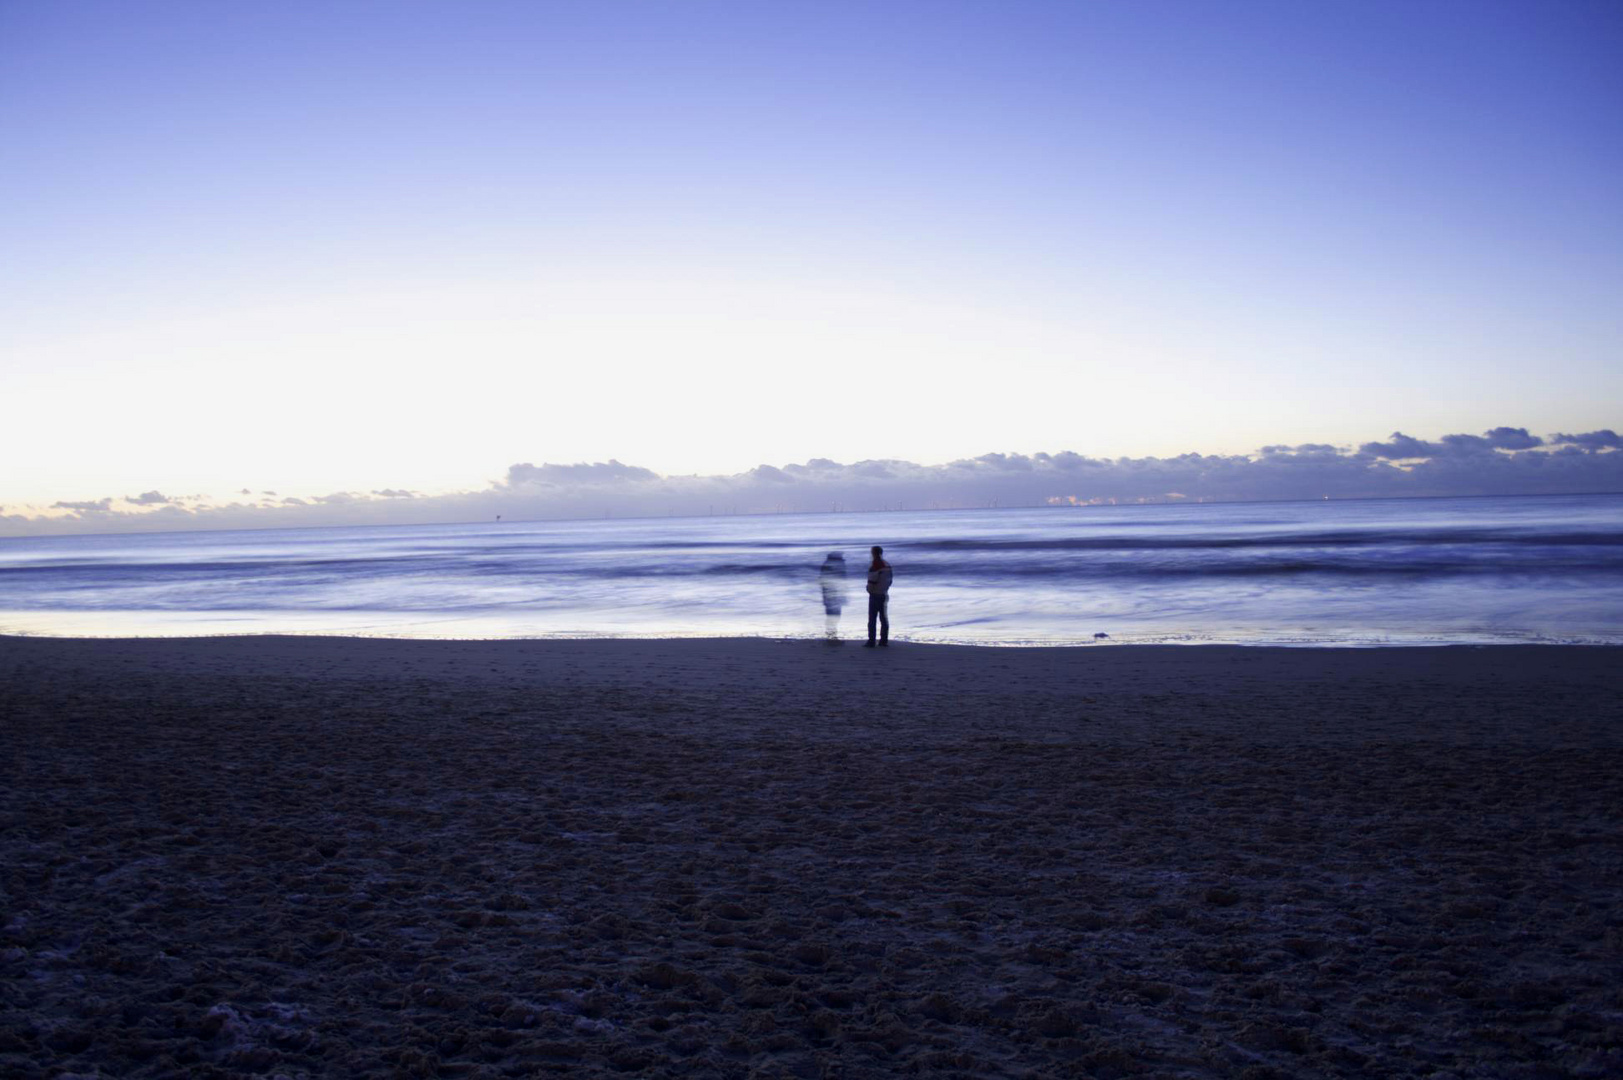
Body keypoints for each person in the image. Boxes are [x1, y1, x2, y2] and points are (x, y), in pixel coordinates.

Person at [864, 545, 893, 647]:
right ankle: (883, 640)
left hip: (875, 593)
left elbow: (872, 581)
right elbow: (890, 581)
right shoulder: (887, 565)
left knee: (872, 618)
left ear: (873, 553)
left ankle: (871, 640)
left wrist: (869, 589)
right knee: (883, 618)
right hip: (884, 593)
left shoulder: (875, 565)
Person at [818, 552, 847, 643]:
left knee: (833, 616)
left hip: (830, 595)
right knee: (834, 616)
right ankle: (831, 637)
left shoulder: (827, 566)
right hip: (832, 595)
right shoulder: (832, 567)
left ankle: (831, 636)